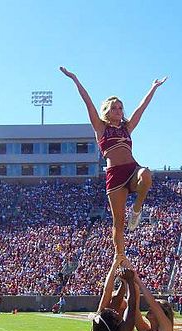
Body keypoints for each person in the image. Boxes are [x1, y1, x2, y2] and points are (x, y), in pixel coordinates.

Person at [59, 66, 167, 257]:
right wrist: (75, 79)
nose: (118, 110)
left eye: (120, 108)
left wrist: (154, 88)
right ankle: (120, 256)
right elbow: (88, 103)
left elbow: (141, 108)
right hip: (114, 175)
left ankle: (137, 208)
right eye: (114, 108)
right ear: (107, 111)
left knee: (147, 175)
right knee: (118, 221)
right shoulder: (100, 128)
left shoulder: (127, 127)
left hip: (132, 169)